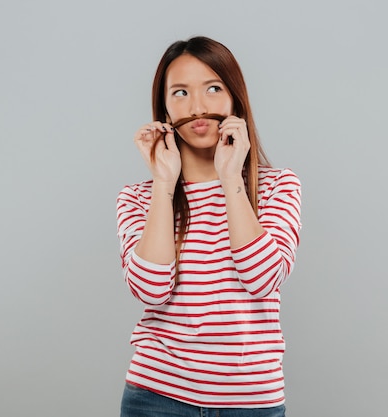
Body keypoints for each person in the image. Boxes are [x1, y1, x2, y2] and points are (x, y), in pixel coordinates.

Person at [116, 36, 301, 417]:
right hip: (156, 397)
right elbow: (151, 290)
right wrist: (164, 184)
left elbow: (262, 278)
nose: (197, 106)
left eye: (213, 89)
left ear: (234, 100)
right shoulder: (137, 198)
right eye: (180, 92)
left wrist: (231, 175)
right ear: (164, 111)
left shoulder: (278, 186)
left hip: (251, 403)